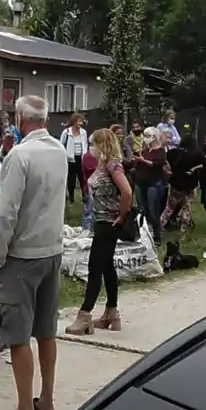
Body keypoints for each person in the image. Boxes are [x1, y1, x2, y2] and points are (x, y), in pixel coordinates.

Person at [0, 95, 66, 410]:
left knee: (19, 336)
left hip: (22, 254)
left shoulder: (19, 155)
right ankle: (46, 400)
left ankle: (24, 406)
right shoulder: (59, 151)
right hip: (53, 249)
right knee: (46, 331)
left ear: (21, 118)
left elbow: (7, 212)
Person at [66, 128, 131, 338]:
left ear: (103, 145)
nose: (90, 147)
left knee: (95, 266)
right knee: (107, 265)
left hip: (109, 222)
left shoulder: (113, 165)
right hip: (100, 220)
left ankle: (84, 314)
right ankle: (112, 312)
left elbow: (127, 191)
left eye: (94, 143)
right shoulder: (102, 165)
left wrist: (121, 215)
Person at [161, 133, 202, 233]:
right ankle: (184, 228)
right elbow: (204, 164)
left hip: (176, 184)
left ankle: (160, 225)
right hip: (190, 185)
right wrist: (194, 169)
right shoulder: (196, 154)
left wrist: (169, 171)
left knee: (169, 208)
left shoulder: (173, 152)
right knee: (186, 208)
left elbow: (165, 162)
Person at [133, 127, 166, 245]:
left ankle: (157, 236)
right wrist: (136, 161)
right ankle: (144, 234)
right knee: (142, 210)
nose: (146, 139)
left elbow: (159, 164)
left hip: (154, 183)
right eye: (145, 136)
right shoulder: (144, 150)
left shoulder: (160, 150)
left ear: (154, 137)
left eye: (148, 136)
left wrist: (143, 161)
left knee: (153, 210)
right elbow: (138, 166)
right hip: (140, 183)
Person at [59, 113, 88, 205]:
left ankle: (84, 198)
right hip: (70, 158)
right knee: (71, 179)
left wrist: (85, 156)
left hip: (81, 158)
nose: (81, 123)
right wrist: (66, 155)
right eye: (79, 121)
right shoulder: (67, 132)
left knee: (82, 178)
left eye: (82, 121)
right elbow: (61, 144)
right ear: (74, 122)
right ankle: (71, 198)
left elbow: (85, 145)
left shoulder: (83, 132)